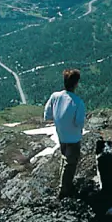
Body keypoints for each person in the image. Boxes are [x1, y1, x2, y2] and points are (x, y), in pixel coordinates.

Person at [43, 68, 86, 198]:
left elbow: (47, 115)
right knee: (70, 164)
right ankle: (64, 190)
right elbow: (79, 123)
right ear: (76, 83)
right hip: (73, 137)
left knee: (64, 159)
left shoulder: (55, 96)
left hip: (61, 135)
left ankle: (64, 185)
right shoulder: (78, 102)